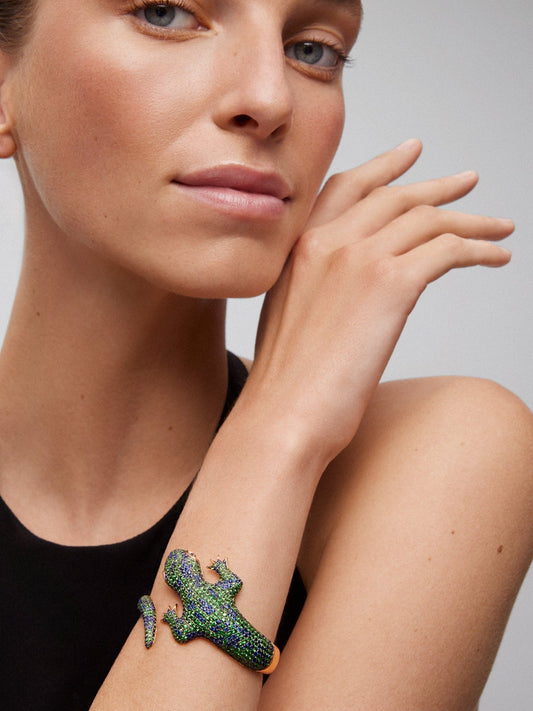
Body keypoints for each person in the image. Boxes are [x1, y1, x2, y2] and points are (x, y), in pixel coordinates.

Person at [0, 0, 531, 709]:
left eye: (312, 49)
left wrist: (280, 431)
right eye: (166, 12)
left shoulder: (444, 451)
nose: (270, 99)